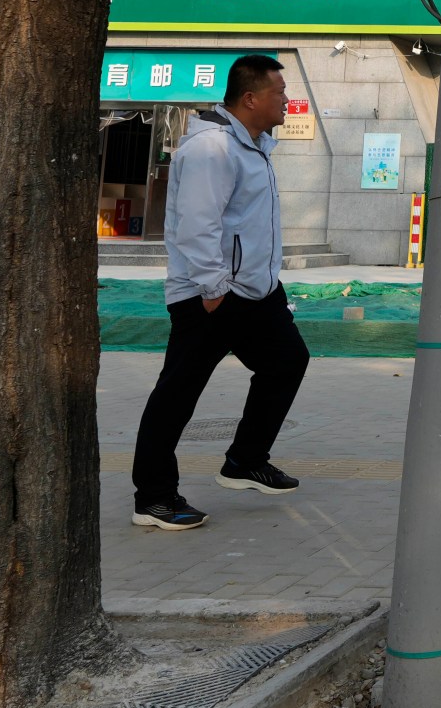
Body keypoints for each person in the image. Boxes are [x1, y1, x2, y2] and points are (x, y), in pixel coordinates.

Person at [130, 54, 309, 530]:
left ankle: (245, 461)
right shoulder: (213, 148)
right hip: (212, 295)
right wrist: (212, 288)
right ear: (250, 98)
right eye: (278, 92)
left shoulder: (254, 143)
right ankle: (153, 498)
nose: (286, 99)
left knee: (288, 360)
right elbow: (197, 223)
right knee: (178, 395)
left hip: (256, 291)